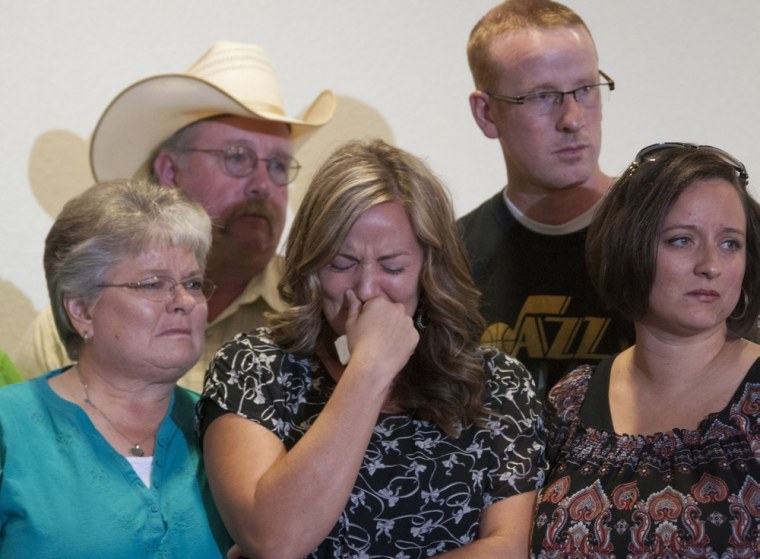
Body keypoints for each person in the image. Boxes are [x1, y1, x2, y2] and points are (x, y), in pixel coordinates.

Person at [198, 139, 547, 558]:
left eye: (392, 266)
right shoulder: (253, 367)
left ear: (428, 269)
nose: (365, 290)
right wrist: (368, 369)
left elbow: (509, 548)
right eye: (340, 264)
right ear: (310, 264)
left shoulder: (497, 382)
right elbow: (275, 540)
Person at [11, 41, 336, 392]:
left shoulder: (315, 310)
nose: (262, 184)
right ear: (169, 171)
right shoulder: (78, 323)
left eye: (278, 165)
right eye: (237, 157)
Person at [531, 143, 760, 556]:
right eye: (681, 240)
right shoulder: (571, 400)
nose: (710, 264)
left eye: (730, 244)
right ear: (628, 247)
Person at [0, 179, 232, 557]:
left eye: (192, 282)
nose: (184, 300)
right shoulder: (8, 427)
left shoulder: (226, 426)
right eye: (153, 283)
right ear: (82, 310)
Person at [458, 0, 634, 397]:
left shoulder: (668, 238)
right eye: (541, 96)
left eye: (586, 89)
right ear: (486, 113)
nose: (572, 119)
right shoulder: (448, 260)